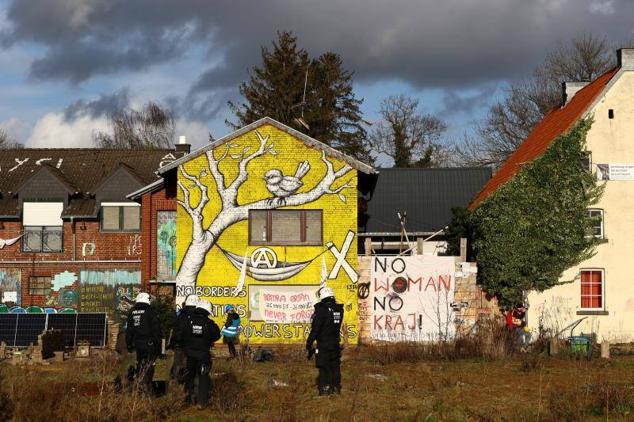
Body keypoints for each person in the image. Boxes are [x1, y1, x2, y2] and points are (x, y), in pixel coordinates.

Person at [182, 298, 221, 408]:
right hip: (203, 355)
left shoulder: (188, 321)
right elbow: (217, 335)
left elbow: (182, 335)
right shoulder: (209, 323)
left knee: (189, 376)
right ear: (207, 311)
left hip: (189, 354)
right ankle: (201, 402)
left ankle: (188, 399)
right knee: (203, 377)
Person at [306, 286, 344, 396]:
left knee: (323, 366)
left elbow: (316, 329)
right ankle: (336, 388)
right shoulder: (339, 309)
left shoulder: (321, 310)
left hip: (323, 344)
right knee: (335, 366)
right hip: (335, 343)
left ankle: (325, 388)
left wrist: (309, 343)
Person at [125, 292, 162, 394]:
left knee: (139, 365)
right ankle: (146, 389)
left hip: (137, 345)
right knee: (148, 368)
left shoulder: (132, 312)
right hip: (149, 345)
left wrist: (129, 345)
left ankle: (138, 387)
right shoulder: (151, 312)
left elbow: (129, 331)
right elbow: (157, 331)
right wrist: (158, 348)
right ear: (148, 300)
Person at [170, 294, 199, 383]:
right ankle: (190, 382)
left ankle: (177, 382)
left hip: (180, 344)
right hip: (194, 345)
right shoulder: (199, 315)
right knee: (193, 365)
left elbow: (176, 329)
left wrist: (174, 343)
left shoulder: (181, 314)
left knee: (178, 363)